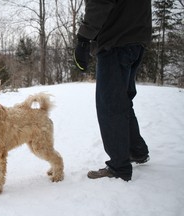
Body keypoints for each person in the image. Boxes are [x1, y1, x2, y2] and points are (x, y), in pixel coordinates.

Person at [74, 0, 151, 181]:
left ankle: (119, 166)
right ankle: (137, 151)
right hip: (136, 37)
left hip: (116, 40)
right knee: (122, 100)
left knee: (110, 105)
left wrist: (84, 38)